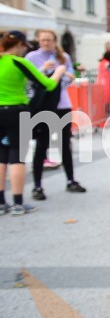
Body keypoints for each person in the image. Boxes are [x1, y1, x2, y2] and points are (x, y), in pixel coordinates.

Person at [0, 31, 65, 216]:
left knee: (1, 157)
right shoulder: (18, 62)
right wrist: (59, 72)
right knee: (17, 157)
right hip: (16, 111)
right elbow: (48, 84)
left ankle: (1, 202)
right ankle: (18, 203)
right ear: (20, 45)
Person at [26, 29, 87, 200]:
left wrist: (66, 75)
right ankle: (37, 186)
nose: (46, 43)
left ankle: (71, 180)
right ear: (38, 40)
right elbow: (28, 80)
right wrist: (43, 69)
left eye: (49, 40)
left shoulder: (63, 57)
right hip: (43, 107)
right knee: (41, 145)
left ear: (55, 41)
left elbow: (68, 80)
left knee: (65, 144)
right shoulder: (31, 58)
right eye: (43, 40)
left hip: (62, 105)